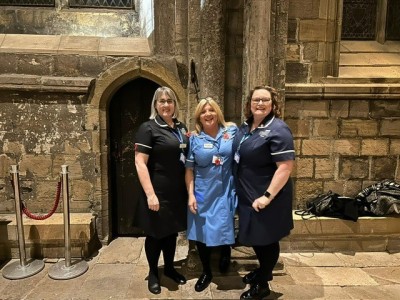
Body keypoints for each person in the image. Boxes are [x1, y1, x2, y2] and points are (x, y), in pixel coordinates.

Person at [232, 85, 295, 299]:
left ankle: (263, 283)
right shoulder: (246, 127)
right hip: (248, 193)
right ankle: (261, 270)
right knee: (257, 238)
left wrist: (267, 197)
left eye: (265, 100)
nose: (260, 103)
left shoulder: (278, 129)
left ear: (273, 104)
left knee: (266, 239)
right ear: (249, 103)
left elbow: (285, 168)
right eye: (256, 99)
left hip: (268, 195)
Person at [134, 86, 188, 295]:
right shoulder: (148, 128)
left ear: (175, 104)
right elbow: (140, 163)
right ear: (155, 105)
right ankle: (154, 273)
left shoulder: (180, 127)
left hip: (177, 191)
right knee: (156, 234)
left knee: (171, 232)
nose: (166, 105)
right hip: (157, 190)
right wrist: (150, 194)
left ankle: (170, 268)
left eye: (169, 101)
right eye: (162, 101)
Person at [185, 97, 238, 292]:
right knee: (202, 232)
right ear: (199, 116)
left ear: (218, 113)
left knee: (225, 223)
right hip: (203, 192)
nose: (208, 114)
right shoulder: (194, 138)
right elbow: (189, 169)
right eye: (203, 111)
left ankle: (226, 254)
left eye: (211, 110)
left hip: (225, 189)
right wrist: (191, 195)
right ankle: (207, 271)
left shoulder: (232, 131)